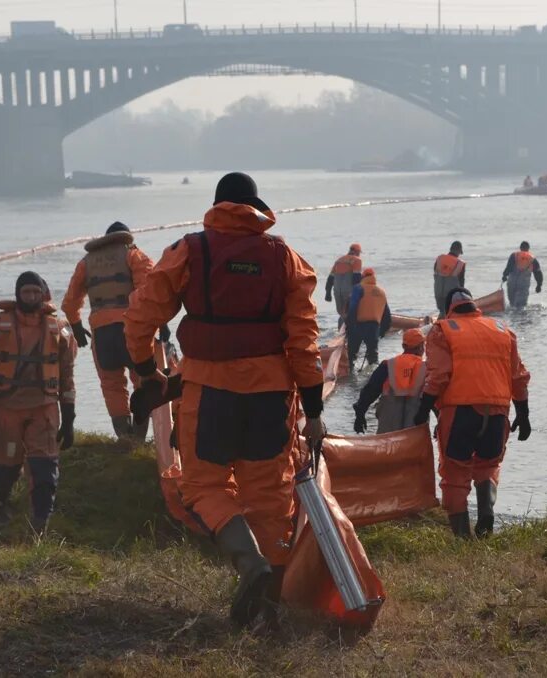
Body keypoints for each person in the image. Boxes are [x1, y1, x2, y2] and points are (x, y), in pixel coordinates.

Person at [124, 172, 326, 629]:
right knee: (270, 500)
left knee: (203, 487)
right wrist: (313, 413)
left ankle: (248, 565)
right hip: (272, 397)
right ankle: (267, 612)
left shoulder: (190, 251)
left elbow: (140, 316)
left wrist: (143, 370)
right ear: (257, 207)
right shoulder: (286, 259)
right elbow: (304, 344)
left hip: (208, 391)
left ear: (217, 205)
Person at [0, 272, 78, 535]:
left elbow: (67, 378)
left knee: (45, 469)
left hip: (44, 409)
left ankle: (40, 524)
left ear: (42, 294)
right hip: (6, 410)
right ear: (18, 295)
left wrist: (69, 419)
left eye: (35, 293)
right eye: (26, 292)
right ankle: (1, 505)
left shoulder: (59, 331)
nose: (31, 297)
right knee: (4, 468)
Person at [414, 288, 531, 538]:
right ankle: (486, 510)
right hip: (498, 412)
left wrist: (422, 411)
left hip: (460, 412)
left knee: (455, 473)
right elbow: (518, 376)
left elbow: (439, 376)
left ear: (449, 309)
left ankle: (463, 540)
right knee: (488, 465)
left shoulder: (442, 331)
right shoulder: (502, 330)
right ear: (473, 305)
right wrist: (523, 413)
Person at [61, 221, 155, 439]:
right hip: (132, 328)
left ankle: (123, 436)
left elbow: (70, 301)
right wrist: (159, 324)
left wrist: (76, 325)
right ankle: (139, 437)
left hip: (102, 333)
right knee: (143, 380)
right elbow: (149, 291)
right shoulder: (134, 255)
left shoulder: (87, 262)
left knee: (111, 385)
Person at [352, 328, 426, 434]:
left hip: (388, 429)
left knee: (384, 449)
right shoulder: (427, 368)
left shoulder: (387, 365)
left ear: (403, 346)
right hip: (414, 430)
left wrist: (360, 415)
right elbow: (434, 398)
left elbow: (369, 393)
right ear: (421, 347)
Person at [347, 267, 391, 367]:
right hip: (374, 327)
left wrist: (350, 325)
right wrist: (382, 332)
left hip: (358, 326)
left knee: (352, 355)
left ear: (363, 277)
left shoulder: (358, 288)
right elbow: (387, 315)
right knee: (373, 356)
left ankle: (351, 379)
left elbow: (353, 307)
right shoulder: (381, 292)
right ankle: (373, 376)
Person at [324, 243, 363, 330]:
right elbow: (356, 278)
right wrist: (358, 293)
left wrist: (328, 294)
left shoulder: (339, 260)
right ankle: (349, 332)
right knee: (351, 313)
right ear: (357, 252)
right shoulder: (357, 260)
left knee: (342, 313)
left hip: (337, 292)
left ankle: (340, 331)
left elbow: (330, 279)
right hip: (348, 291)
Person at [502, 241, 544, 308]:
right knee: (521, 306)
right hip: (523, 284)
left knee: (512, 305)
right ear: (528, 248)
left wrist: (504, 276)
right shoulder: (532, 258)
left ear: (520, 247)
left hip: (511, 282)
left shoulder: (514, 255)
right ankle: (521, 318)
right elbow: (538, 273)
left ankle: (512, 317)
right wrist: (539, 285)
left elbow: (508, 268)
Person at [433, 241, 466, 319]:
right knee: (450, 312)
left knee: (442, 311)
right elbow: (461, 282)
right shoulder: (460, 263)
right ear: (458, 250)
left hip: (438, 291)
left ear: (450, 249)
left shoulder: (440, 258)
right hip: (451, 293)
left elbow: (435, 272)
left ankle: (439, 324)